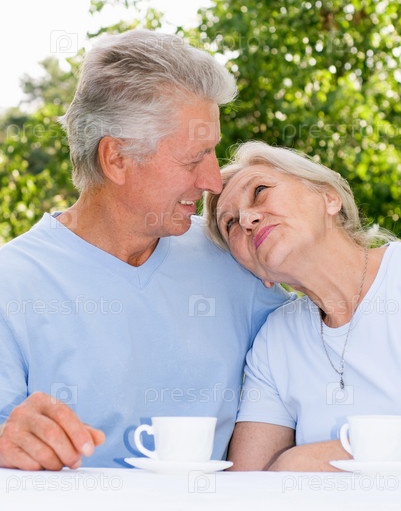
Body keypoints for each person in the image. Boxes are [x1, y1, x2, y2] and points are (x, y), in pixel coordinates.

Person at [0, 31, 290, 471]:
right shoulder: (12, 283)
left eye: (213, 153)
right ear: (116, 158)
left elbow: (326, 339)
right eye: (194, 159)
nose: (213, 181)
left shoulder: (232, 255)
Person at [204, 140, 401, 472]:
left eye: (260, 191)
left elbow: (283, 471)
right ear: (258, 273)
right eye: (231, 224)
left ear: (329, 197)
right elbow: (248, 485)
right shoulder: (276, 340)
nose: (247, 219)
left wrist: (301, 460)